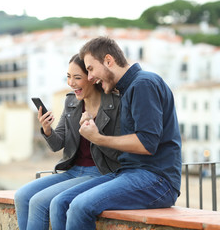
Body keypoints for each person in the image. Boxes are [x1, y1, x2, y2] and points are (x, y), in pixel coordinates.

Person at [48, 36, 182, 230]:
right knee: (60, 202)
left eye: (91, 69)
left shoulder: (143, 84)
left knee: (79, 206)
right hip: (129, 173)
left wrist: (97, 138)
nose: (90, 77)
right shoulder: (127, 90)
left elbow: (146, 143)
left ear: (109, 60)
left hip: (157, 180)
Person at [14, 53, 122, 230]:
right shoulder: (72, 102)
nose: (71, 83)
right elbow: (57, 144)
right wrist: (47, 129)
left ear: (92, 78)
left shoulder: (115, 104)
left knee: (41, 202)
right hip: (72, 170)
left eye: (77, 78)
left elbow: (118, 153)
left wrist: (93, 131)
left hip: (100, 172)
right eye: (68, 77)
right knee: (22, 195)